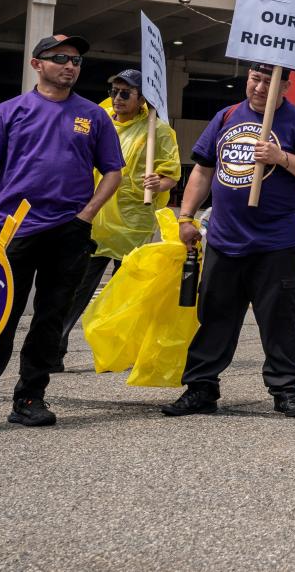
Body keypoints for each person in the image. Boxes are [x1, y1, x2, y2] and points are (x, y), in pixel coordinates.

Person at [0, 34, 124, 434]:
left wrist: (87, 215)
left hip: (69, 233)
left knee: (50, 320)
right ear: (37, 64)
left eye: (75, 61)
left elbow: (113, 171)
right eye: (60, 58)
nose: (70, 66)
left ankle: (30, 399)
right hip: (12, 232)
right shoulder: (9, 112)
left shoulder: (94, 115)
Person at [161, 64, 295, 419]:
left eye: (269, 82)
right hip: (224, 238)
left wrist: (280, 158)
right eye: (255, 79)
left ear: (285, 86)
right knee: (215, 317)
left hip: (275, 243)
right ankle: (201, 388)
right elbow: (204, 169)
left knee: (279, 321)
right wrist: (186, 216)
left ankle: (286, 391)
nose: (259, 87)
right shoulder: (226, 116)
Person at [57, 68, 181, 367]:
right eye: (114, 90)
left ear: (141, 99)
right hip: (96, 217)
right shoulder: (99, 116)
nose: (117, 97)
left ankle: (125, 352)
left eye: (126, 93)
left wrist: (159, 182)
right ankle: (54, 350)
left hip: (133, 222)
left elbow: (171, 173)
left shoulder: (158, 130)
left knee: (129, 293)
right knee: (75, 290)